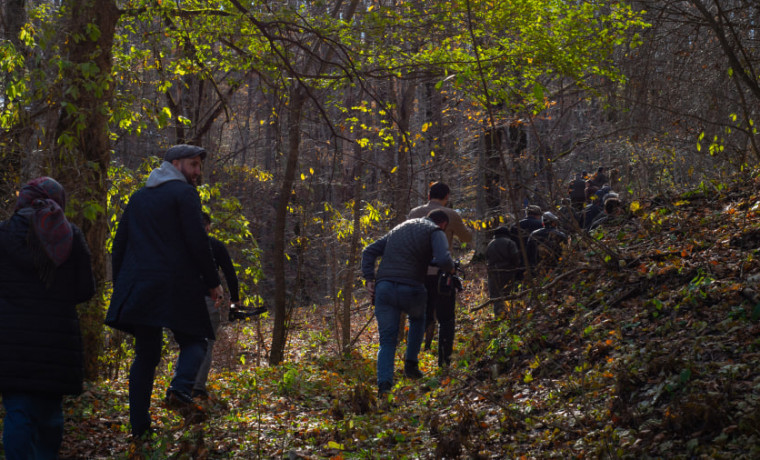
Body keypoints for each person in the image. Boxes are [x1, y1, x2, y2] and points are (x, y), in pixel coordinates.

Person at [106, 144, 224, 439]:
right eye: (193, 165)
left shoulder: (138, 197)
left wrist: (122, 284)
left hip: (140, 286)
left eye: (199, 165)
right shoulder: (184, 195)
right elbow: (198, 242)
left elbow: (119, 246)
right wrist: (212, 282)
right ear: (175, 164)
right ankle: (180, 389)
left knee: (146, 355)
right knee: (197, 340)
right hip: (176, 285)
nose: (198, 172)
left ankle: (139, 429)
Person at [0, 177, 95, 459]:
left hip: (9, 339)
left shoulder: (3, 234)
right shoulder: (71, 236)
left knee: (18, 410)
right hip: (56, 341)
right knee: (49, 415)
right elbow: (85, 289)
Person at [361, 210, 454, 396]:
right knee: (418, 319)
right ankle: (411, 364)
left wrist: (369, 278)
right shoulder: (435, 231)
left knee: (387, 340)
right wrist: (450, 269)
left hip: (384, 287)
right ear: (443, 223)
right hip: (411, 287)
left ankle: (384, 387)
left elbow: (369, 250)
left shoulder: (398, 228)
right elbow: (444, 259)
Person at [407, 182, 472, 367]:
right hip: (443, 274)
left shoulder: (413, 213)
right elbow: (467, 238)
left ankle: (413, 358)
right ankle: (444, 360)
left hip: (418, 273)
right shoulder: (451, 215)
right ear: (447, 197)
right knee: (446, 318)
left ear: (428, 196)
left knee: (418, 316)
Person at [193, 212, 241, 399]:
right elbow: (230, 273)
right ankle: (197, 387)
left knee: (188, 342)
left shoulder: (181, 245)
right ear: (206, 226)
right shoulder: (215, 245)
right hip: (208, 300)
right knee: (206, 344)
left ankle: (181, 386)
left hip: (184, 301)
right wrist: (234, 300)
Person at [486, 226, 520, 317]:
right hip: (508, 273)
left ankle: (498, 316)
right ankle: (510, 314)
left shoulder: (490, 244)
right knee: (508, 294)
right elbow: (515, 258)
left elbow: (487, 259)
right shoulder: (510, 243)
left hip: (493, 274)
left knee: (496, 296)